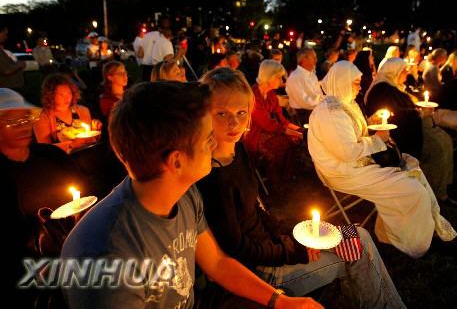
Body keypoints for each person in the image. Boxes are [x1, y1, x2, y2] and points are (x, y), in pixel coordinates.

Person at [61, 81, 323, 309]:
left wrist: (280, 301)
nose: (215, 143)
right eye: (207, 138)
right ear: (176, 162)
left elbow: (218, 263)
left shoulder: (184, 194)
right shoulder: (108, 255)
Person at [196, 67, 406, 308]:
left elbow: (257, 212)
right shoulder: (211, 175)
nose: (234, 122)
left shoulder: (237, 151)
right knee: (361, 247)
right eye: (222, 113)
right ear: (204, 114)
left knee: (355, 237)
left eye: (241, 112)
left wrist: (294, 235)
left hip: (273, 246)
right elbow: (238, 249)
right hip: (262, 273)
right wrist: (294, 250)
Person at [308, 61, 457, 258]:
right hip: (343, 172)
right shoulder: (332, 113)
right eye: (356, 83)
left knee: (412, 169)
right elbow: (347, 152)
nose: (360, 87)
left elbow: (352, 135)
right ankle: (412, 243)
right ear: (342, 82)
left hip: (356, 164)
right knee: (413, 191)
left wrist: (372, 122)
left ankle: (405, 232)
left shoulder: (345, 103)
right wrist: (378, 139)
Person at [0, 88, 84, 307]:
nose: (23, 125)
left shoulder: (50, 156)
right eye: (11, 121)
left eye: (25, 118)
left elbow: (84, 188)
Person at [364, 58, 456, 203]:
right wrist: (418, 113)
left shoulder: (393, 86)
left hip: (413, 128)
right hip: (399, 136)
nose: (407, 74)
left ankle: (438, 187)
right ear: (394, 72)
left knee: (445, 142)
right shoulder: (381, 90)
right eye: (404, 71)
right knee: (439, 148)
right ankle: (433, 191)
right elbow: (392, 115)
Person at [244, 60, 303, 181]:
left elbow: (281, 119)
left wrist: (299, 129)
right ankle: (275, 178)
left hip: (268, 129)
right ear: (269, 77)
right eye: (279, 77)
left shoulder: (271, 94)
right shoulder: (253, 96)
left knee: (294, 140)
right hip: (254, 134)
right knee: (283, 145)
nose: (281, 81)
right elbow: (270, 125)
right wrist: (297, 133)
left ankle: (286, 174)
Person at [33, 74, 101, 153]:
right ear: (50, 95)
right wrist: (71, 144)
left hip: (85, 154)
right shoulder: (42, 117)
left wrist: (96, 129)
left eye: (69, 93)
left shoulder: (83, 111)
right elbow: (45, 149)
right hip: (61, 161)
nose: (67, 98)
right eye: (61, 94)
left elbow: (92, 141)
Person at [285, 47, 324, 124]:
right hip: (303, 117)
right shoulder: (295, 77)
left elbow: (318, 94)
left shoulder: (312, 75)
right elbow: (304, 102)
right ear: (304, 59)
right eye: (314, 58)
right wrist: (322, 100)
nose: (316, 60)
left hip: (315, 113)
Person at [0, 24, 25, 90]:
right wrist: (20, 64)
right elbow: (6, 70)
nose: (6, 37)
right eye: (4, 34)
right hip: (8, 89)